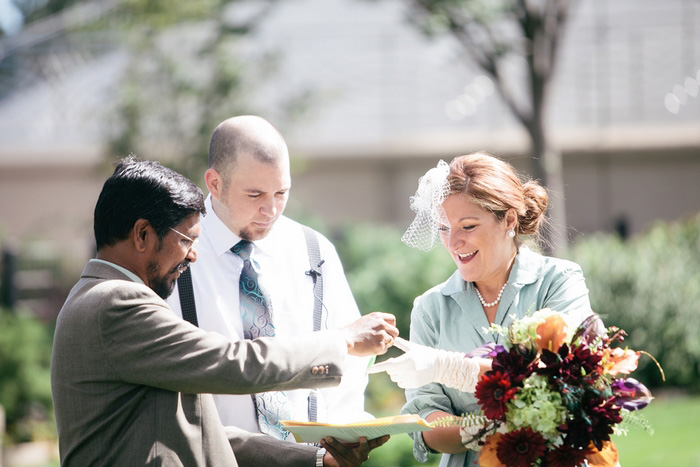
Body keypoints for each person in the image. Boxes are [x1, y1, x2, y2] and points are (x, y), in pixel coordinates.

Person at [50, 156, 397, 467]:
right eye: (186, 240)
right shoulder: (116, 303)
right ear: (142, 235)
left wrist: (318, 460)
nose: (193, 255)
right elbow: (235, 361)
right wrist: (341, 341)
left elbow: (204, 434)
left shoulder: (103, 298)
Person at [369, 152, 593, 467]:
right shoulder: (431, 308)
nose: (454, 242)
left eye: (468, 226)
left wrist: (447, 367)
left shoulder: (559, 282)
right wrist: (482, 429)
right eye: (444, 228)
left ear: (510, 221)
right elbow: (426, 418)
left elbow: (558, 377)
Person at [166, 116, 372, 440]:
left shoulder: (314, 250)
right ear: (215, 183)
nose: (271, 210)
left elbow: (352, 363)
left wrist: (342, 435)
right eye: (255, 195)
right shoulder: (172, 255)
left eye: (281, 192)